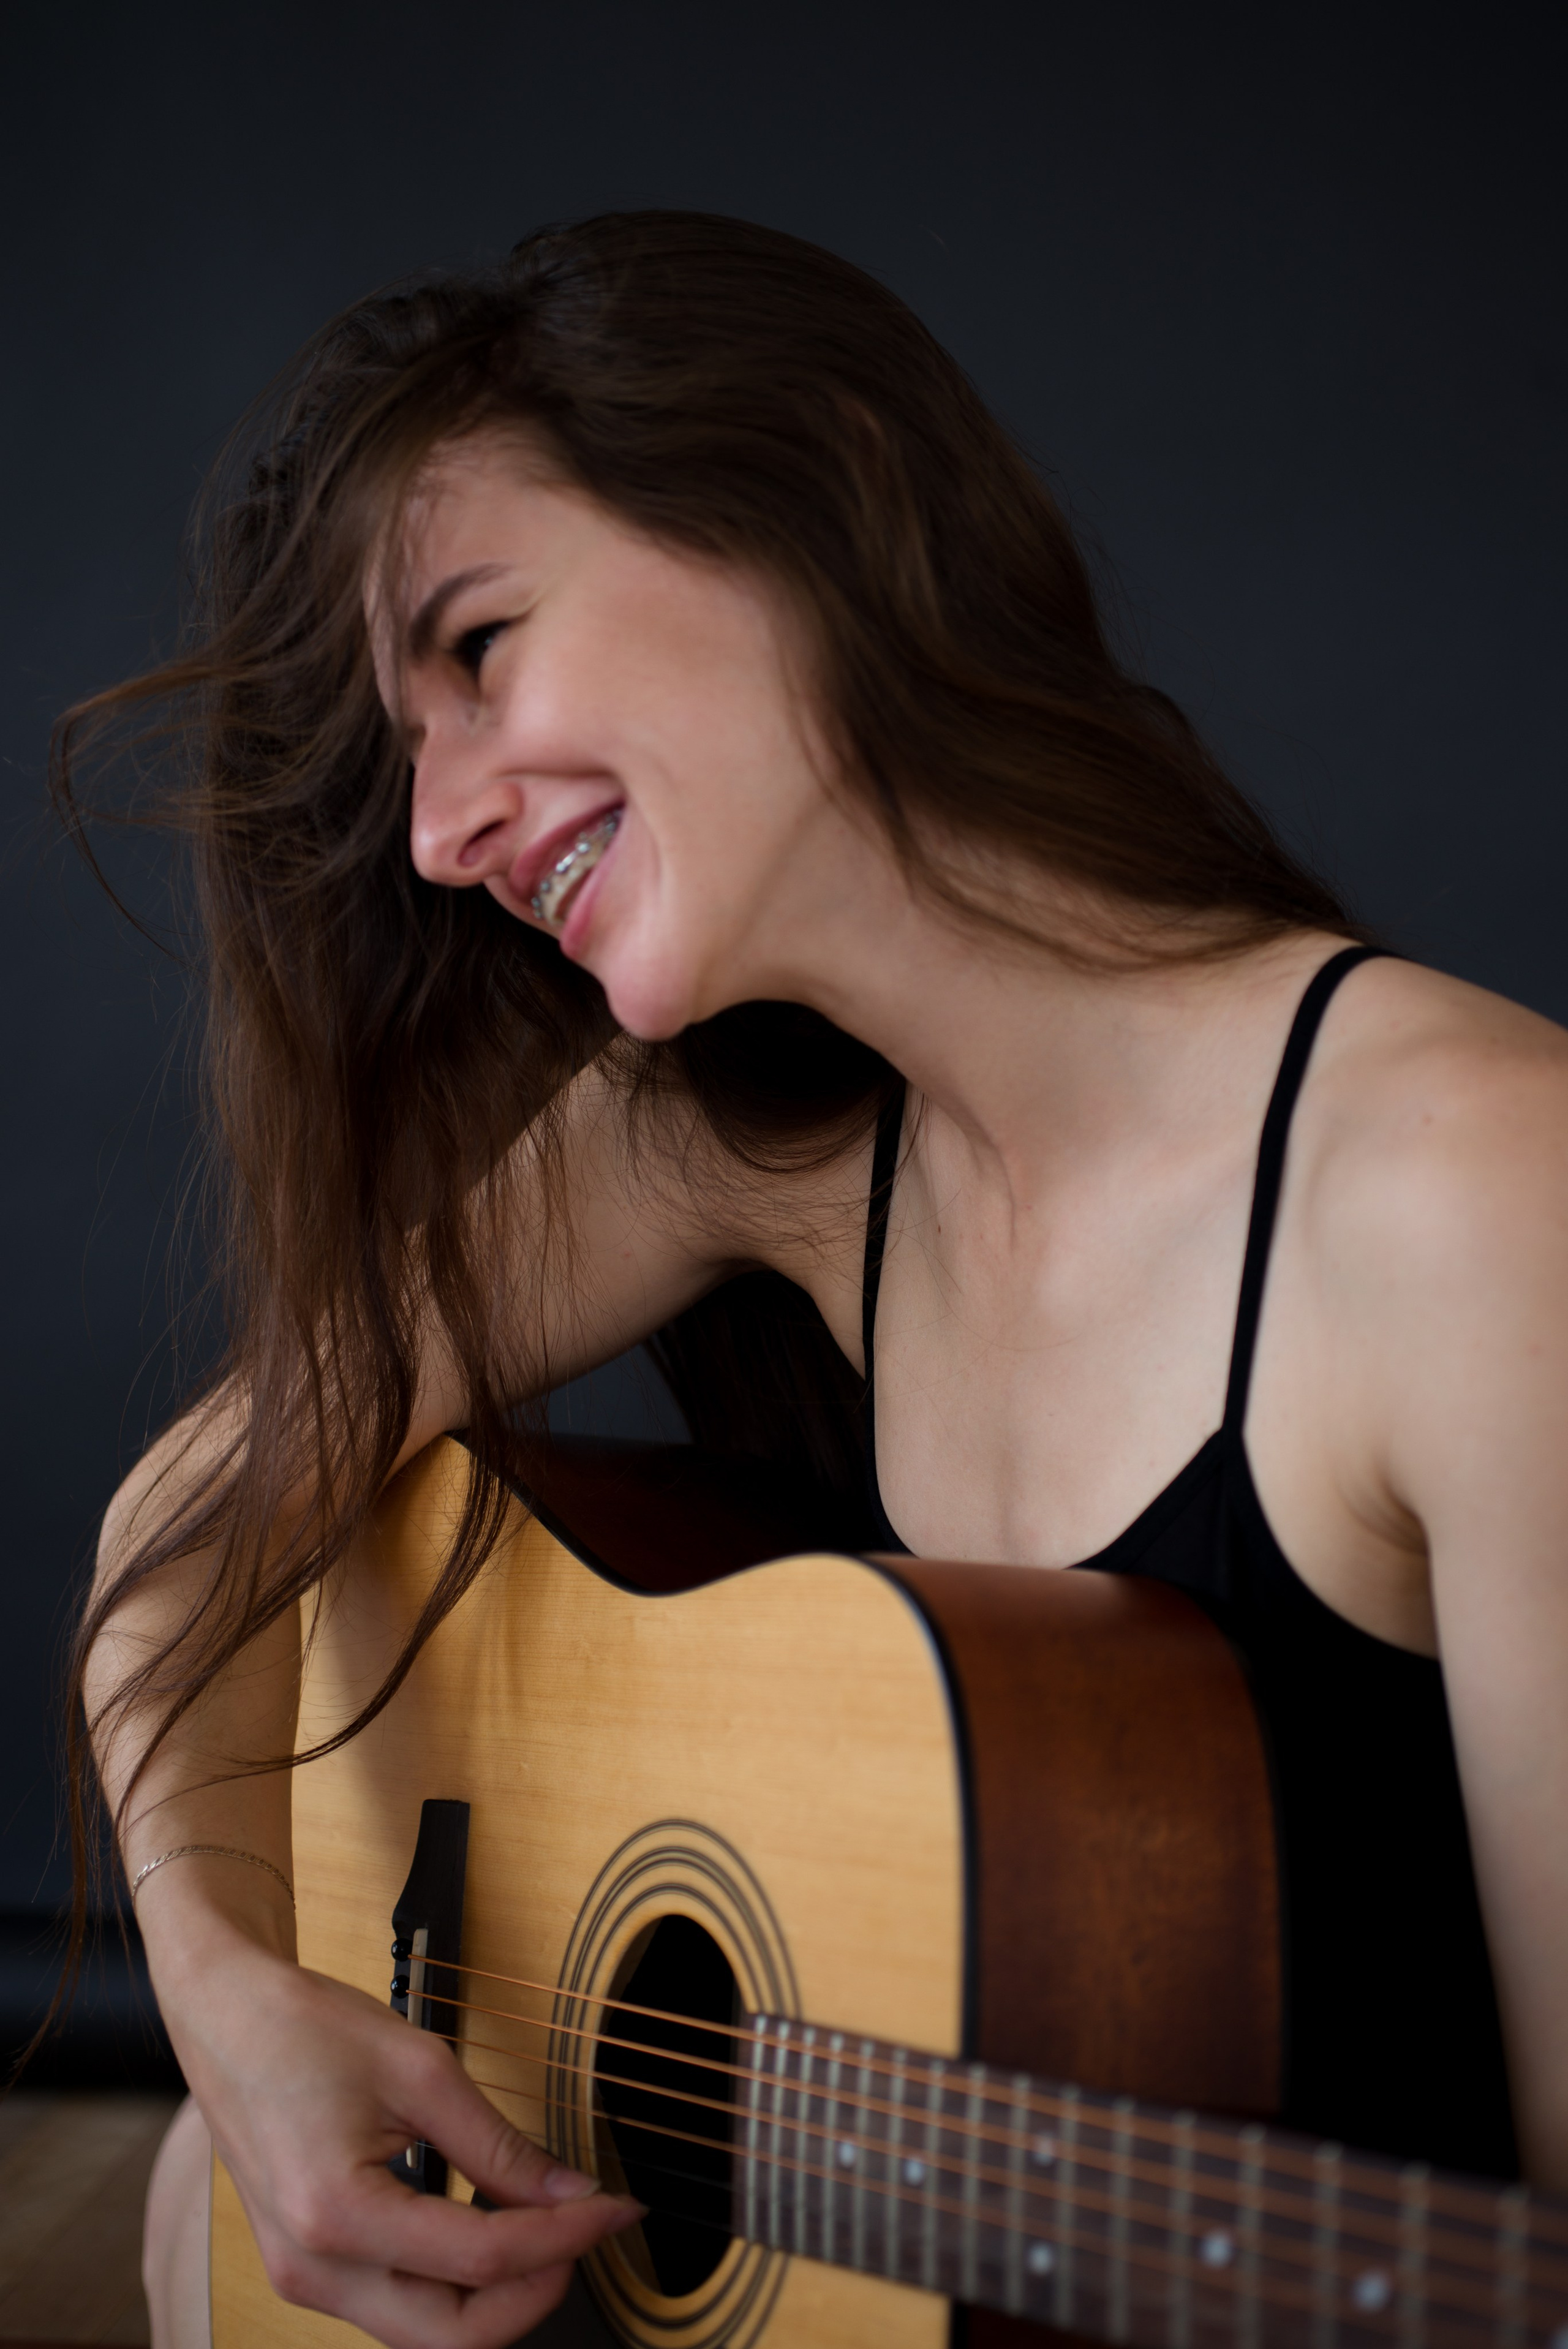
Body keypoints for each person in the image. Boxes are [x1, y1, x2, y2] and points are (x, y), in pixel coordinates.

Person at [61, 213, 1568, 2349]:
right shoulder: (744, 1144)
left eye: (478, 645)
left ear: (807, 491)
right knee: (215, 2208)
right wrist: (228, 2001)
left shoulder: (1479, 1194)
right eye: (405, 754)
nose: (436, 838)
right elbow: (188, 1523)